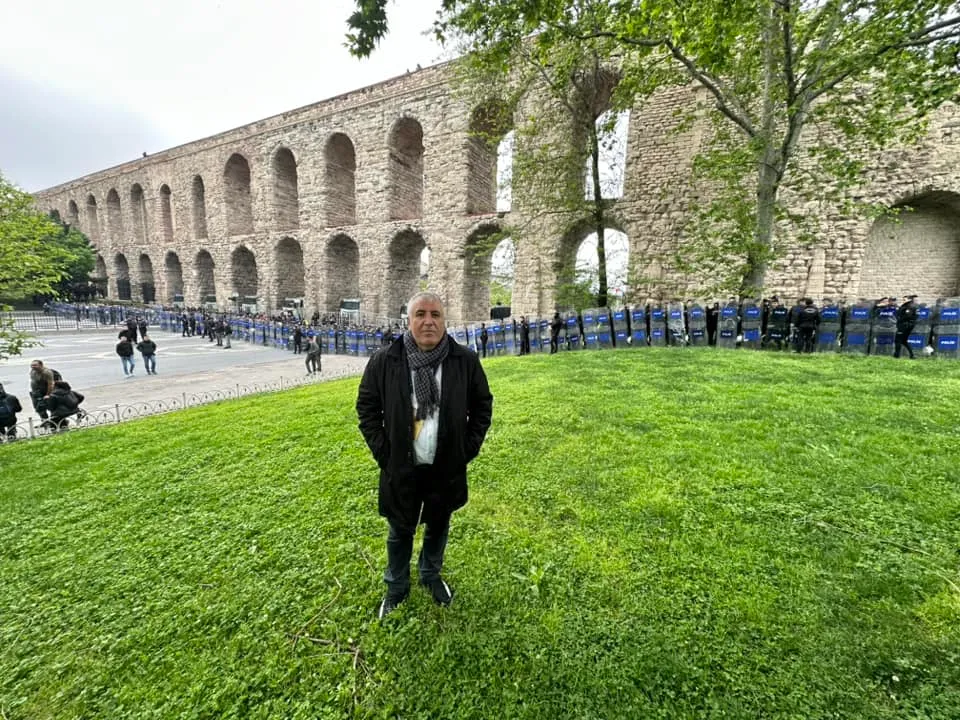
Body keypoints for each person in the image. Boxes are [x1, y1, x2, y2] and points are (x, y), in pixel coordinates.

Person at [356, 292, 493, 620]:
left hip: (445, 463)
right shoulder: (385, 361)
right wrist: (385, 455)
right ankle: (396, 587)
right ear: (409, 318)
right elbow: (368, 409)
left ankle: (430, 576)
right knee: (400, 529)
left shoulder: (465, 361)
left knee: (438, 524)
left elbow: (482, 406)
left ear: (445, 320)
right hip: (401, 464)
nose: (428, 321)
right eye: (420, 314)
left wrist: (466, 449)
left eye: (435, 314)